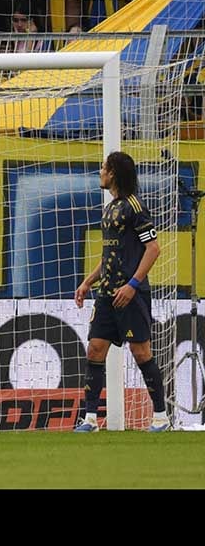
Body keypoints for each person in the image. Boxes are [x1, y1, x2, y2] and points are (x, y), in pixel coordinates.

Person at [73, 151, 170, 432]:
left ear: (113, 172)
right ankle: (90, 418)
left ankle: (161, 417)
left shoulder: (135, 207)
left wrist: (133, 285)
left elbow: (153, 249)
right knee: (95, 349)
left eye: (103, 168)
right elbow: (109, 256)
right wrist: (88, 282)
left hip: (131, 294)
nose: (100, 172)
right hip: (107, 293)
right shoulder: (111, 207)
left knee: (141, 352)